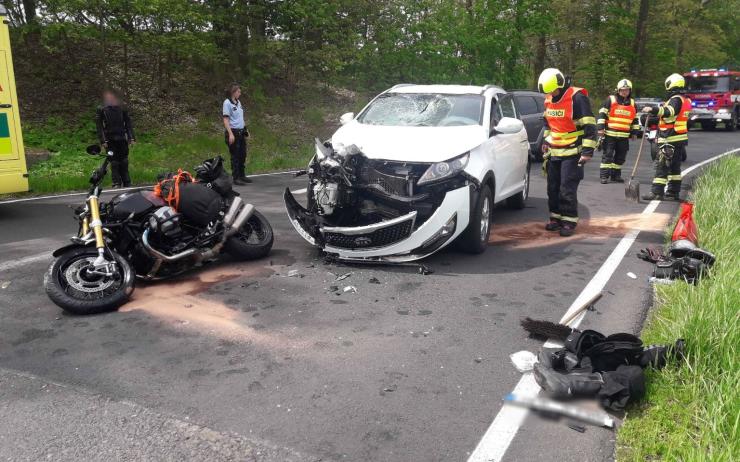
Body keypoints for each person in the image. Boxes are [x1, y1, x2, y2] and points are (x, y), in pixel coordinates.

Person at [538, 68, 598, 237]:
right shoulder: (549, 99)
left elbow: (590, 126)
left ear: (560, 85)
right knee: (553, 187)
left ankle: (569, 221)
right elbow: (548, 123)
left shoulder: (577, 98)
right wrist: (545, 141)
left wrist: (587, 151)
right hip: (554, 151)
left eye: (552, 91)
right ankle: (555, 218)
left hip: (573, 152)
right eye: (548, 92)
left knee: (567, 188)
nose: (550, 95)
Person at [641, 73, 691, 201]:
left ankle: (657, 192)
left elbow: (669, 112)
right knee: (674, 167)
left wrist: (653, 110)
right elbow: (673, 117)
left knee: (662, 165)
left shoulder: (675, 99)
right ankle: (673, 192)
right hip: (678, 138)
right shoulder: (685, 100)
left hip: (669, 138)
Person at [597, 79, 640, 184]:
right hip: (610, 134)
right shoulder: (611, 100)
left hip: (624, 136)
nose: (624, 92)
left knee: (621, 157)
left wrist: (634, 133)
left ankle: (615, 175)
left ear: (630, 90)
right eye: (622, 90)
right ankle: (604, 176)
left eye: (627, 90)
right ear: (618, 90)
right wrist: (600, 128)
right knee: (608, 155)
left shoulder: (633, 103)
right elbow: (602, 114)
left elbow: (635, 119)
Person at [96, 90, 135, 188]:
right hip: (110, 140)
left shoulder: (122, 108)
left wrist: (131, 137)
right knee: (113, 161)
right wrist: (103, 140)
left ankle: (127, 181)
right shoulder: (102, 109)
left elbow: (128, 123)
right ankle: (116, 182)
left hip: (122, 138)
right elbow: (99, 126)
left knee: (124, 161)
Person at [222, 83, 251, 185]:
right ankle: (236, 177)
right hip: (233, 132)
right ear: (234, 92)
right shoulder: (227, 103)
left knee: (242, 155)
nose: (240, 93)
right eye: (238, 91)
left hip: (241, 132)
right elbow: (226, 119)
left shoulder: (238, 103)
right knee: (235, 156)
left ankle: (242, 175)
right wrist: (230, 134)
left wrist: (246, 130)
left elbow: (240, 118)